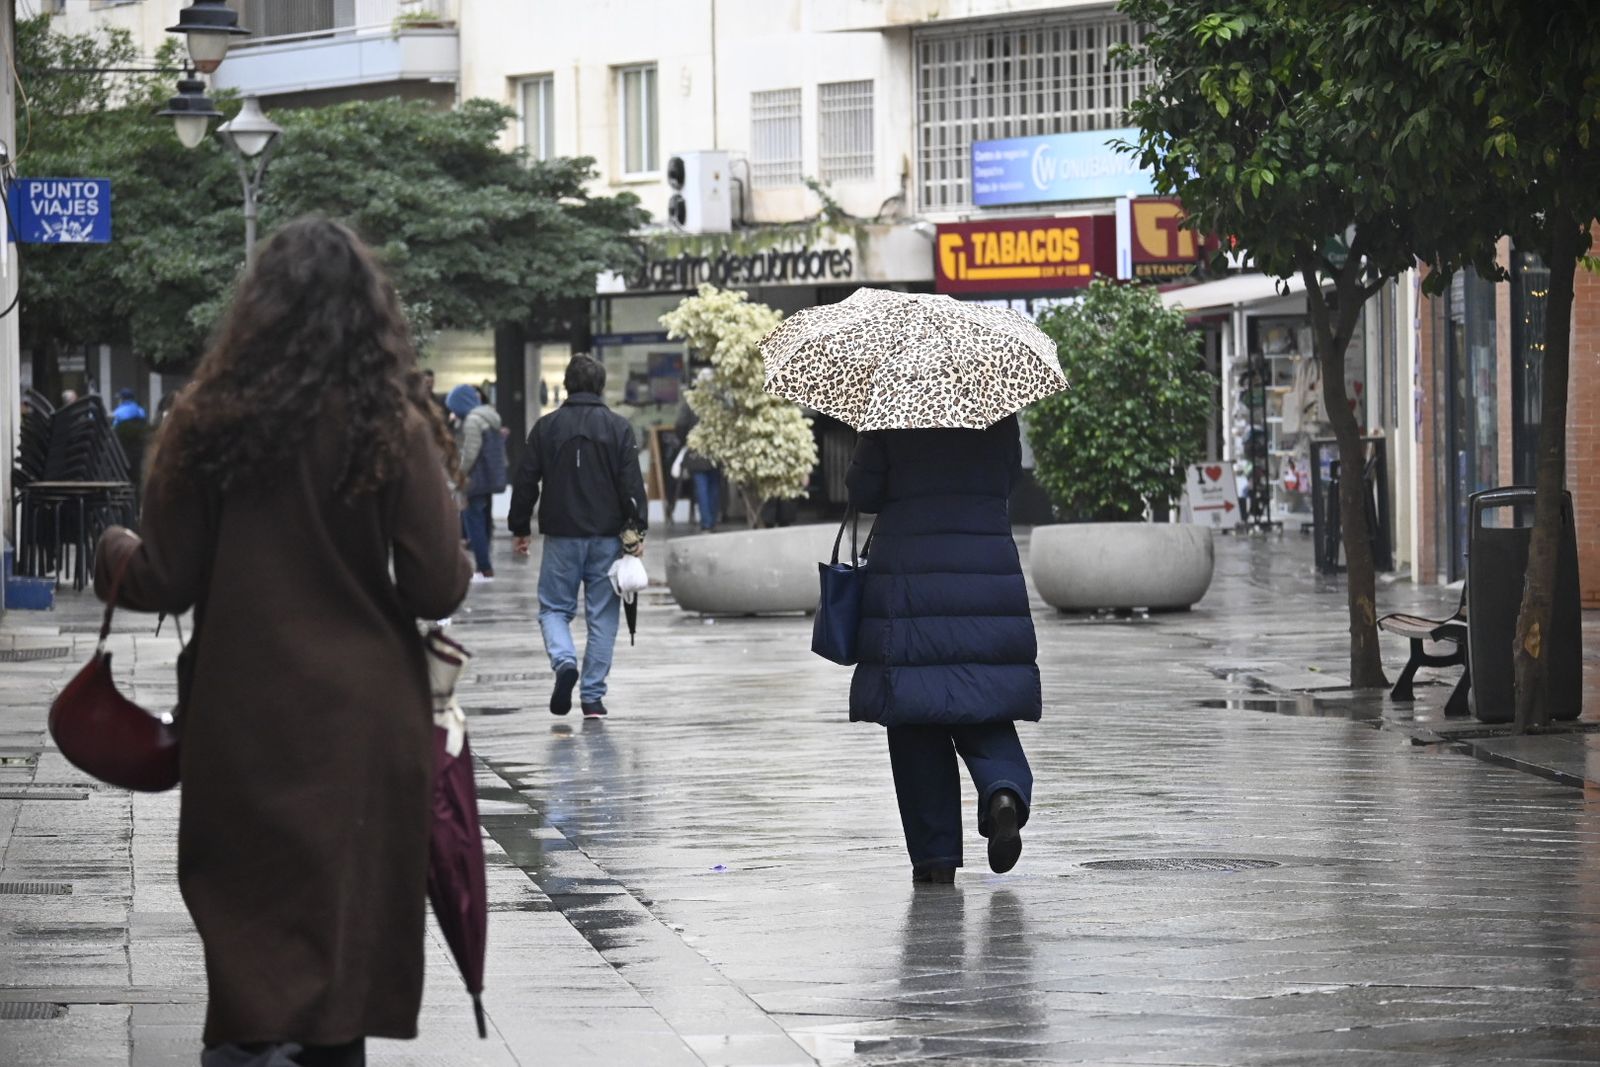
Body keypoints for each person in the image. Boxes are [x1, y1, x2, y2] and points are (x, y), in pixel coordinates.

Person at [92, 217, 472, 1066]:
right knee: (339, 965)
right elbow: (435, 585)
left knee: (250, 945)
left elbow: (168, 577)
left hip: (243, 720)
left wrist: (112, 551)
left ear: (253, 312)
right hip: (363, 727)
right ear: (368, 314)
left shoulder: (206, 423)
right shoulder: (393, 424)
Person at [846, 414, 1040, 884]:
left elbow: (864, 492)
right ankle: (1002, 793)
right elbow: (1007, 478)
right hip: (984, 570)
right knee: (983, 700)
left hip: (909, 579)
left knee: (914, 710)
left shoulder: (890, 410)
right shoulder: (994, 409)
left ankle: (935, 858)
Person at [508, 354, 647, 719]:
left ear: (567, 385)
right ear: (600, 386)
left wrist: (519, 527)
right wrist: (636, 530)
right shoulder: (618, 428)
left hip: (561, 536)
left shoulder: (546, 427)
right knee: (603, 617)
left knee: (554, 608)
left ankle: (564, 660)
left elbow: (525, 481)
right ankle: (592, 698)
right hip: (607, 538)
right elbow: (631, 485)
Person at [447, 383, 508, 582]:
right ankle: (485, 567)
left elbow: (470, 452)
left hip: (475, 479)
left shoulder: (473, 421)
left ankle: (484, 569)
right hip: (487, 477)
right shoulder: (488, 417)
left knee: (474, 523)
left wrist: (459, 474)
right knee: (482, 521)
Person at [673, 391, 721, 532]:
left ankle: (706, 523)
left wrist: (686, 441)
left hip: (696, 449)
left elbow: (680, 425)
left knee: (701, 487)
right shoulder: (717, 400)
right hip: (715, 449)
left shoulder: (691, 402)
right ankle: (712, 520)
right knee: (714, 486)